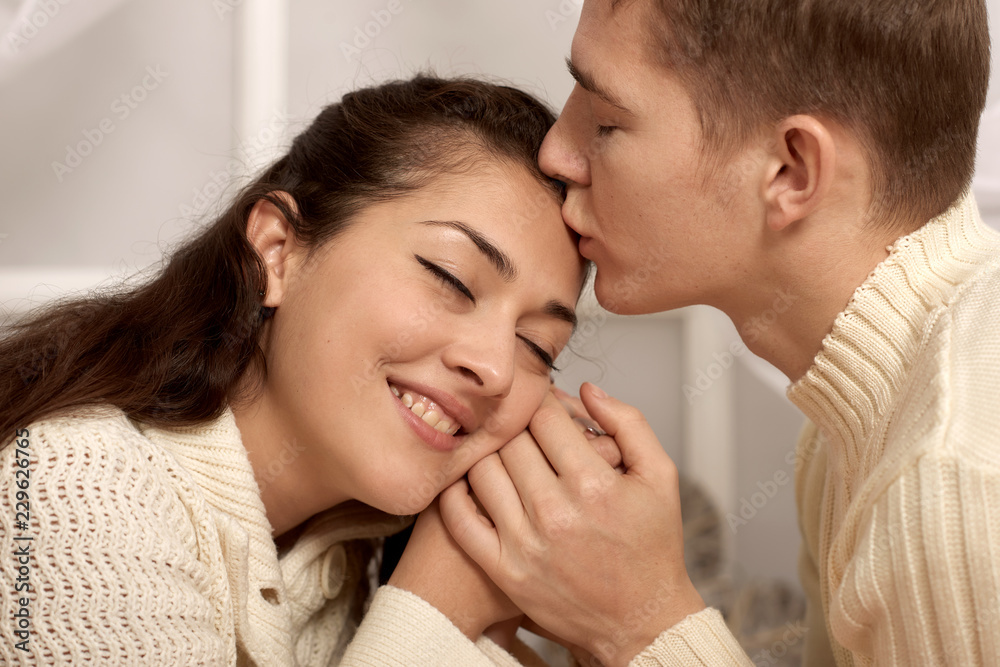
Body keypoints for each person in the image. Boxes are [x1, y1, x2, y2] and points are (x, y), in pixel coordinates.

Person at [437, 1, 1000, 665]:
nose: (556, 152)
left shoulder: (949, 478)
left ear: (791, 171)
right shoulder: (851, 423)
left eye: (608, 121)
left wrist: (640, 626)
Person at [0, 75, 591, 665]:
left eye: (537, 346)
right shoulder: (70, 483)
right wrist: (439, 608)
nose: (494, 367)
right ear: (277, 251)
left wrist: (611, 627)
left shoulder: (363, 552)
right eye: (451, 278)